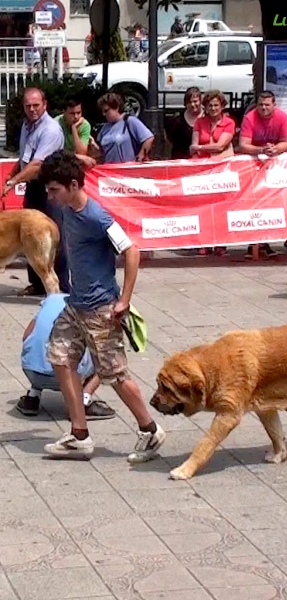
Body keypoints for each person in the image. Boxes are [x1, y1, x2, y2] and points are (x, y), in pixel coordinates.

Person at [38, 151, 166, 460]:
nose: (49, 195)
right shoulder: (68, 208)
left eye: (53, 189)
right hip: (76, 305)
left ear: (71, 185)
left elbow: (132, 251)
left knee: (115, 375)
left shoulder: (97, 217)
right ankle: (79, 434)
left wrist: (125, 300)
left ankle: (151, 431)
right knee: (60, 356)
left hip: (100, 310)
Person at [1, 88, 69, 297]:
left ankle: (63, 290)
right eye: (28, 106)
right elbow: (25, 158)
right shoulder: (26, 127)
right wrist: (11, 174)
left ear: (44, 104)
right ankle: (38, 286)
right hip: (32, 187)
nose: (32, 109)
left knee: (54, 240)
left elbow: (38, 164)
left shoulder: (51, 129)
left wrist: (13, 182)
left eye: (36, 105)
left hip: (51, 188)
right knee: (30, 242)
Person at [18, 292, 115, 419]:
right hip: (69, 374)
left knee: (41, 348)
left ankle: (33, 396)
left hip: (32, 371)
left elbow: (26, 336)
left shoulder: (51, 299)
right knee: (108, 355)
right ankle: (84, 400)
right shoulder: (86, 305)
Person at [239, 90, 287, 259]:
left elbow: (286, 143)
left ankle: (267, 242)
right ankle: (252, 243)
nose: (263, 108)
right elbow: (243, 145)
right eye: (260, 104)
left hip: (274, 166)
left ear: (274, 105)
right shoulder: (250, 118)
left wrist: (275, 149)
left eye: (267, 105)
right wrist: (261, 150)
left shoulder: (282, 117)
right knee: (252, 205)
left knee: (272, 204)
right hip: (253, 166)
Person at [190, 90, 236, 257]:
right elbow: (192, 146)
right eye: (210, 105)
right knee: (203, 206)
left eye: (216, 105)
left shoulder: (229, 123)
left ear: (222, 106)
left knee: (221, 207)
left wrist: (201, 148)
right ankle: (203, 241)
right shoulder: (199, 123)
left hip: (222, 170)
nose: (213, 108)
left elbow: (220, 146)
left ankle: (221, 242)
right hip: (203, 169)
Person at [95, 93, 154, 164]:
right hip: (109, 170)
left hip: (128, 169)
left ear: (116, 107)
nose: (104, 114)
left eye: (106, 111)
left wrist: (139, 159)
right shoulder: (104, 129)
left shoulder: (129, 121)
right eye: (102, 111)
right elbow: (100, 153)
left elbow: (148, 138)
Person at [55, 96, 95, 168]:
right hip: (59, 162)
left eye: (78, 113)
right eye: (72, 113)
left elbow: (82, 152)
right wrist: (77, 156)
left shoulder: (85, 125)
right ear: (64, 112)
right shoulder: (55, 124)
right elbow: (54, 154)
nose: (76, 117)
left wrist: (74, 129)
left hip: (76, 162)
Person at [166, 87, 203, 159]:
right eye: (189, 102)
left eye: (195, 101)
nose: (192, 104)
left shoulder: (208, 117)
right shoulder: (177, 120)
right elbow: (170, 140)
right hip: (181, 159)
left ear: (201, 101)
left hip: (203, 159)